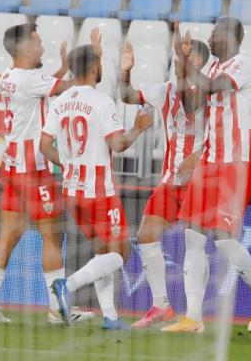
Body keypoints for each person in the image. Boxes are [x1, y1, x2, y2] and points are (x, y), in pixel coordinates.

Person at [162, 17, 251, 333]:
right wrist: (183, 65)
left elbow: (214, 88)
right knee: (193, 236)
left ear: (230, 37)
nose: (210, 39)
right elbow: (193, 104)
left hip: (236, 163)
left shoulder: (243, 65)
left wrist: (188, 63)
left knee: (224, 239)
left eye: (214, 34)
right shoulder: (211, 69)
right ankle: (193, 318)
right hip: (211, 161)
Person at [0, 23, 93, 325]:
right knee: (53, 236)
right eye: (39, 42)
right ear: (26, 47)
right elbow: (67, 88)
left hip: (11, 167)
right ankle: (58, 309)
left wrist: (62, 67)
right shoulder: (29, 79)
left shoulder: (8, 77)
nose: (43, 47)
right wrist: (85, 66)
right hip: (34, 169)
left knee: (8, 235)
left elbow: (42, 86)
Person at [41, 41, 153, 330]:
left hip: (71, 191)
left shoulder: (61, 101)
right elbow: (118, 143)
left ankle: (110, 317)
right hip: (100, 193)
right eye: (100, 63)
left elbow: (44, 146)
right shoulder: (102, 101)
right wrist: (139, 128)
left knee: (103, 252)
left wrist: (65, 164)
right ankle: (69, 285)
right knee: (120, 253)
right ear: (94, 68)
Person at [119, 23, 209, 328]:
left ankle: (195, 315)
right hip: (170, 181)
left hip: (199, 182)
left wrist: (196, 157)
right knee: (146, 236)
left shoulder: (206, 93)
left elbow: (199, 114)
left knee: (201, 245)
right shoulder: (165, 90)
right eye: (177, 57)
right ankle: (161, 306)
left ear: (198, 62)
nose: (178, 61)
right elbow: (128, 96)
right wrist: (126, 72)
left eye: (185, 57)